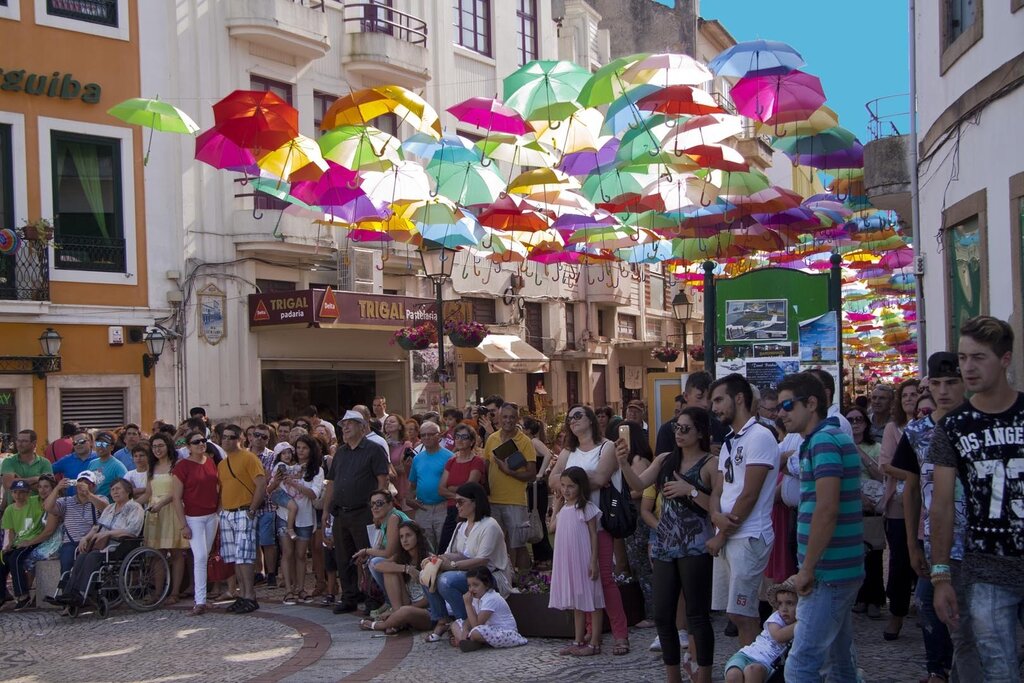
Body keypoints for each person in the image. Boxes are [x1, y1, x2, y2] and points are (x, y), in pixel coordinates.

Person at [929, 316, 1023, 681]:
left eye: (978, 358)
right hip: (986, 569)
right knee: (998, 669)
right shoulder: (953, 426)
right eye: (963, 357)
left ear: (1005, 359)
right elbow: (941, 505)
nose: (967, 367)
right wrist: (940, 575)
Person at [891, 352, 979, 683]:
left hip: (978, 539)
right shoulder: (916, 432)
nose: (943, 391)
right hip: (935, 538)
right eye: (937, 384)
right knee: (930, 604)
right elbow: (911, 489)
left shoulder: (976, 421)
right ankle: (938, 669)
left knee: (970, 620)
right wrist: (914, 543)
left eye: (952, 383)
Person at [617, 407, 717, 683]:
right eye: (676, 427)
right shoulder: (664, 460)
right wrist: (624, 462)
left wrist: (691, 490)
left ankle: (704, 676)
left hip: (696, 545)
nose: (679, 433)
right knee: (663, 615)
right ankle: (673, 676)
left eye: (686, 428)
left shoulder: (711, 464)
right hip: (664, 546)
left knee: (697, 615)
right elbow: (638, 483)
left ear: (700, 432)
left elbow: (716, 509)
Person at [777, 372, 863, 681]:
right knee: (839, 662)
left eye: (787, 405)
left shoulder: (824, 440)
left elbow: (826, 510)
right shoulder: (821, 440)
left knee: (801, 665)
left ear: (811, 404)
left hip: (828, 571)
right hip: (837, 568)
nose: (781, 413)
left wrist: (808, 569)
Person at [548, 404, 631, 656]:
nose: (572, 421)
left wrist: (569, 481)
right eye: (570, 418)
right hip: (571, 526)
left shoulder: (606, 447)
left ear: (591, 419)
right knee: (579, 582)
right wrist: (573, 481)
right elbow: (553, 480)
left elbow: (601, 477)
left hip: (598, 521)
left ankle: (620, 634)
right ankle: (585, 634)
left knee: (603, 580)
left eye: (578, 415)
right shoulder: (568, 450)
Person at [707, 373, 779, 646]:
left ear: (739, 399)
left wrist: (721, 534)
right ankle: (750, 666)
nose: (714, 408)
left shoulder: (760, 436)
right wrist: (715, 515)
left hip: (748, 535)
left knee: (744, 613)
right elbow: (719, 488)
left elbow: (749, 494)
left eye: (719, 400)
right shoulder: (730, 440)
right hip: (726, 534)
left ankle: (759, 667)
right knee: (735, 614)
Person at [422, 482, 512, 643]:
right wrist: (435, 559)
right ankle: (442, 620)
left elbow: (482, 561)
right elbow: (454, 554)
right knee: (426, 575)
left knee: (445, 581)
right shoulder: (460, 526)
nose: (457, 505)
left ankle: (464, 622)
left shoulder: (489, 525)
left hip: (490, 578)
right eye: (456, 502)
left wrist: (452, 566)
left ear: (475, 502)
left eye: (461, 502)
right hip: (468, 575)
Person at [323, 410, 390, 615]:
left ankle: (372, 598)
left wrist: (380, 509)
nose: (345, 428)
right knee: (343, 558)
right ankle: (349, 596)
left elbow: (382, 480)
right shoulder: (341, 452)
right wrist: (326, 511)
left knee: (367, 556)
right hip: (341, 513)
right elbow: (332, 483)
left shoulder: (374, 449)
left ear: (362, 426)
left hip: (365, 512)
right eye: (343, 424)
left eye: (350, 423)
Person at [52, 478, 145, 612]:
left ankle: (83, 593)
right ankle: (69, 593)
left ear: (128, 491)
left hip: (121, 545)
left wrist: (108, 534)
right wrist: (86, 537)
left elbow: (132, 531)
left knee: (92, 557)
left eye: (118, 489)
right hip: (103, 545)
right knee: (82, 556)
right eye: (112, 489)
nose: (114, 492)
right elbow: (98, 527)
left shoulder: (135, 507)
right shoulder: (110, 508)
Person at [879, 378, 920, 640]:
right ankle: (897, 613)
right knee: (900, 560)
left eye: (914, 394)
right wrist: (917, 474)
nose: (909, 399)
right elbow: (886, 464)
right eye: (904, 395)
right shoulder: (894, 428)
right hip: (899, 503)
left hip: (928, 501)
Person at [548, 466, 604, 656]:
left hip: (583, 558)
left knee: (593, 599)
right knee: (577, 601)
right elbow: (551, 527)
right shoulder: (564, 508)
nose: (566, 490)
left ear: (581, 486)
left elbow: (594, 536)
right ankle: (578, 640)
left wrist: (594, 560)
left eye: (571, 486)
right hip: (568, 559)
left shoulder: (587, 507)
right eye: (563, 486)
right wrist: (556, 506)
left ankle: (595, 642)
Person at [216, 424, 266, 615]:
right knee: (235, 556)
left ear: (240, 439)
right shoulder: (222, 463)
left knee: (245, 556)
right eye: (224, 437)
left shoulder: (249, 458)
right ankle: (241, 594)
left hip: (244, 511)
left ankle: (250, 596)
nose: (226, 440)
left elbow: (261, 484)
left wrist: (252, 509)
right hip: (227, 512)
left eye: (231, 437)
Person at [482, 402, 537, 573]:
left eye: (512, 417)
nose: (508, 420)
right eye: (505, 416)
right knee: (495, 545)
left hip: (515, 501)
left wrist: (508, 471)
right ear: (498, 417)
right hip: (492, 501)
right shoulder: (491, 439)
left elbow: (532, 474)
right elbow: (485, 466)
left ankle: (526, 582)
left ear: (517, 418)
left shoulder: (525, 441)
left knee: (518, 545)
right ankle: (504, 580)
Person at [270, 435, 324, 605]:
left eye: (304, 448)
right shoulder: (284, 467)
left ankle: (300, 588)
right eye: (298, 448)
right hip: (284, 515)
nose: (300, 451)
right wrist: (278, 481)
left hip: (305, 516)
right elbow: (270, 489)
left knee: (301, 554)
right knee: (287, 552)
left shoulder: (317, 471)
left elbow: (314, 493)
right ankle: (288, 589)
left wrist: (295, 484)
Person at [172, 430, 222, 616]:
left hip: (211, 515)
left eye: (203, 440)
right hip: (193, 518)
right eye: (196, 442)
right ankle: (199, 601)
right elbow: (176, 498)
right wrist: (183, 524)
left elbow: (218, 487)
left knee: (205, 555)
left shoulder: (210, 462)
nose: (201, 444)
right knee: (200, 556)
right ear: (188, 447)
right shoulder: (182, 467)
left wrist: (218, 509)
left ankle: (202, 599)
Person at [358, 520, 433, 635]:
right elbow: (377, 565)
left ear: (417, 537)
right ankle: (398, 620)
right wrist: (406, 569)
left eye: (408, 535)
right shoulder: (402, 557)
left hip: (427, 611)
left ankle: (381, 625)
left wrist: (397, 612)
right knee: (390, 570)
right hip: (406, 604)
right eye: (401, 536)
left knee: (406, 611)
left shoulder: (429, 560)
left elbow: (430, 599)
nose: (404, 540)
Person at [847, 406, 885, 619]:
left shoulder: (876, 447)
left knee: (874, 555)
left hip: (872, 504)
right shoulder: (841, 447)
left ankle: (875, 599)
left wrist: (859, 452)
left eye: (859, 419)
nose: (855, 423)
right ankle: (860, 597)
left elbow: (880, 475)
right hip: (852, 504)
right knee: (855, 555)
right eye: (850, 420)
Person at [141, 433, 187, 605]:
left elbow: (177, 491)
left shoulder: (177, 464)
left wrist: (161, 503)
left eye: (160, 446)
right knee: (156, 554)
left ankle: (175, 592)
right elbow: (147, 493)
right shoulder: (151, 468)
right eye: (154, 447)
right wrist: (130, 505)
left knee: (176, 552)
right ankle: (158, 592)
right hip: (154, 512)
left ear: (168, 446)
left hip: (172, 509)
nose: (157, 450)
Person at [724, 579, 798, 683]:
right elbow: (778, 636)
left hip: (765, 662)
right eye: (780, 603)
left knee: (752, 671)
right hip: (747, 654)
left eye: (789, 603)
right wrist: (802, 623)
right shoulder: (776, 618)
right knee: (733, 675)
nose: (784, 609)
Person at [619, 420, 655, 627]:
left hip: (639, 517)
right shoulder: (628, 460)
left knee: (642, 564)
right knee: (635, 564)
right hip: (631, 515)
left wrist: (623, 495)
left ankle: (652, 612)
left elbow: (641, 488)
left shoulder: (640, 460)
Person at [437, 423, 488, 556]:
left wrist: (452, 489)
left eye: (464, 437)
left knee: (467, 550)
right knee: (444, 548)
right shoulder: (451, 461)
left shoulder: (477, 461)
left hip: (470, 512)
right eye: (457, 436)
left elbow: (470, 487)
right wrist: (459, 494)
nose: (459, 440)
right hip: (452, 510)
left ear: (472, 441)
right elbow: (441, 489)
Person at [44, 470, 108, 574]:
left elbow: (106, 508)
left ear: (94, 486)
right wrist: (57, 488)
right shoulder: (66, 501)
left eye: (88, 483)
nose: (83, 486)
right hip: (71, 542)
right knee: (66, 564)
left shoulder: (100, 498)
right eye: (80, 482)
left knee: (89, 566)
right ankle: (66, 587)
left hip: (92, 542)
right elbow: (48, 507)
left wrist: (88, 494)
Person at [451, 566, 528, 651]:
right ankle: (467, 640)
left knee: (475, 632)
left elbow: (476, 625)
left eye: (475, 585)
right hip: (486, 629)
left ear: (487, 585)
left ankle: (473, 641)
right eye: (469, 586)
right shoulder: (476, 598)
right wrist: (465, 630)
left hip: (505, 633)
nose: (471, 589)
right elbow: (470, 619)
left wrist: (467, 605)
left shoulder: (491, 598)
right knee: (455, 624)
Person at [356, 489, 409, 609]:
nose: (375, 507)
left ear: (390, 504)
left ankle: (393, 603)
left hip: (412, 561)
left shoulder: (393, 518)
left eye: (379, 503)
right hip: (402, 559)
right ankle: (390, 602)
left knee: (377, 562)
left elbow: (388, 552)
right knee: (373, 560)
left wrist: (366, 551)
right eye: (372, 504)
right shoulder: (386, 520)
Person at [408, 421, 454, 552]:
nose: (426, 438)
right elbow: (412, 484)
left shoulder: (450, 457)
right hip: (423, 509)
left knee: (444, 546)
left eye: (430, 434)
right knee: (425, 547)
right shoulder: (417, 458)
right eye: (423, 435)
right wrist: (410, 499)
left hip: (443, 508)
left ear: (438, 436)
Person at [0, 479, 46, 610]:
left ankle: (23, 595)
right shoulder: (9, 509)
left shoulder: (35, 501)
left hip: (34, 540)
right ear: (11, 493)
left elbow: (45, 494)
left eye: (22, 492)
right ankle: (2, 596)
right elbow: (12, 531)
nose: (19, 495)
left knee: (16, 559)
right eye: (15, 492)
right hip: (19, 542)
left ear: (28, 493)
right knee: (3, 560)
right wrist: (9, 545)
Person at [248, 424, 279, 589]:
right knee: (252, 541)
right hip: (246, 503)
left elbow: (268, 478)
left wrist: (257, 481)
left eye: (264, 437)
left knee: (267, 541)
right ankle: (258, 572)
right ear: (250, 436)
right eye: (257, 435)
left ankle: (271, 573)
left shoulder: (273, 456)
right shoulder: (243, 455)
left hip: (267, 505)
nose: (259, 439)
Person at [522, 417, 555, 567]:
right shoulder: (527, 443)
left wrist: (540, 473)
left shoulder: (534, 442)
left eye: (522, 426)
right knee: (535, 519)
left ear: (528, 430)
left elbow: (548, 454)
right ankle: (540, 555)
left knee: (538, 519)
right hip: (532, 485)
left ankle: (545, 555)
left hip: (537, 485)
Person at [2, 430, 53, 498]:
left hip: (38, 506)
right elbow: (8, 484)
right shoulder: (9, 461)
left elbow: (47, 489)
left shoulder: (45, 463)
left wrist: (19, 481)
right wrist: (36, 479)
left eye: (24, 441)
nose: (20, 444)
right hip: (15, 506)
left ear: (34, 443)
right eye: (18, 441)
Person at [268, 442, 302, 541]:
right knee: (294, 507)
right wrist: (300, 468)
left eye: (289, 453)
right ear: (279, 456)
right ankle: (290, 529)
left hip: (280, 493)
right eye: (283, 453)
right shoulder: (281, 465)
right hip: (278, 493)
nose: (287, 455)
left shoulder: (286, 465)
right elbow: (290, 471)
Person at [383, 414, 413, 511]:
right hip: (388, 490)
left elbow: (403, 468)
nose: (388, 423)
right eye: (386, 422)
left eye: (392, 421)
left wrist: (385, 470)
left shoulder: (406, 445)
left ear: (400, 426)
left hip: (402, 487)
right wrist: (385, 445)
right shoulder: (382, 445)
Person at [87, 431, 129, 499]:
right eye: (98, 443)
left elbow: (126, 487)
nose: (100, 447)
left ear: (112, 447)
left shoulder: (118, 466)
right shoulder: (92, 463)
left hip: (108, 506)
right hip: (91, 505)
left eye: (104, 444)